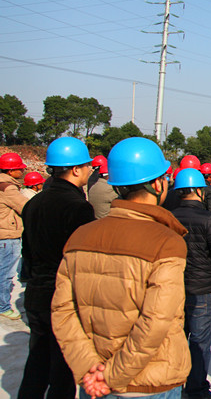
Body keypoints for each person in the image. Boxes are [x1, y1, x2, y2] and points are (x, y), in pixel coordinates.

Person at [52, 137, 191, 399]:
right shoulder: (166, 242)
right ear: (157, 183)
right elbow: (156, 321)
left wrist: (89, 368)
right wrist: (112, 376)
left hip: (94, 380)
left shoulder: (80, 236)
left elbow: (63, 311)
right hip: (149, 382)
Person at [18, 138, 95, 399]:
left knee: (37, 363)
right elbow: (83, 261)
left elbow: (27, 253)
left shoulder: (33, 203)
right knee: (63, 370)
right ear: (75, 169)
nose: (89, 170)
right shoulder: (78, 208)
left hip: (36, 294)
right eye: (87, 165)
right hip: (63, 298)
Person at [171, 168, 211, 399]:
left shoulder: (169, 217)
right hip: (203, 291)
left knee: (176, 341)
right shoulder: (208, 219)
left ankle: (176, 389)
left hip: (175, 289)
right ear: (199, 190)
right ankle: (197, 391)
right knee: (200, 343)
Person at [0, 151, 28, 320]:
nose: (22, 171)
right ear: (10, 171)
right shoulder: (8, 188)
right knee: (6, 274)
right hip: (8, 236)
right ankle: (3, 306)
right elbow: (25, 207)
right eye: (19, 169)